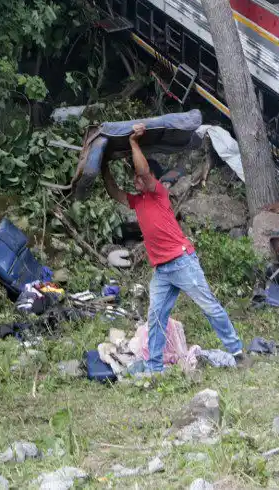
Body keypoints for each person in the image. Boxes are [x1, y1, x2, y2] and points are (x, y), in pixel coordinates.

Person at [102, 123, 244, 373]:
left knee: (209, 306)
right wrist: (103, 167)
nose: (136, 181)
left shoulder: (158, 194)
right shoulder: (137, 202)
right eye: (134, 179)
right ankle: (155, 368)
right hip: (162, 271)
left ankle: (237, 352)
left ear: (152, 180)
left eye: (139, 178)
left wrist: (134, 143)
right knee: (156, 318)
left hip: (182, 261)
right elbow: (115, 193)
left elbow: (144, 172)